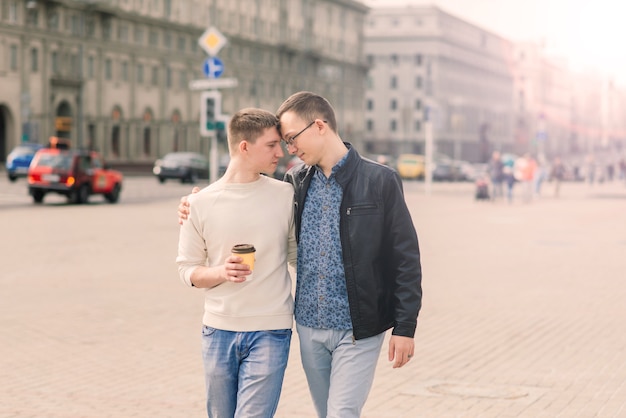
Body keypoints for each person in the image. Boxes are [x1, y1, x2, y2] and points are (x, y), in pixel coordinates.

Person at [179, 92, 423, 418]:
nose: (288, 150)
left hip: (360, 327)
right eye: (283, 142)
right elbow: (247, 199)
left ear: (319, 126)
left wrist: (405, 327)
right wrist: (195, 202)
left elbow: (405, 258)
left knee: (341, 413)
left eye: (292, 139)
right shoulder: (295, 181)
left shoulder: (380, 180)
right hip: (308, 326)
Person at [176, 108, 297, 418]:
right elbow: (187, 270)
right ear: (244, 147)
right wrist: (221, 272)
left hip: (272, 328)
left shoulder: (286, 195)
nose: (279, 152)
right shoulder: (199, 203)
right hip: (218, 330)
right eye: (271, 145)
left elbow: (300, 258)